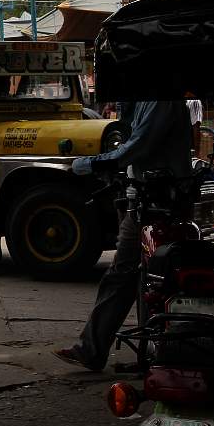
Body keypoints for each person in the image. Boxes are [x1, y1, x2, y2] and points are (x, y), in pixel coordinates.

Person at [54, 100, 192, 372]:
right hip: (143, 201)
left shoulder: (161, 102)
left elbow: (137, 147)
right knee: (126, 276)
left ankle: (156, 355)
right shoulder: (139, 102)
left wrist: (86, 164)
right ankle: (96, 350)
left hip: (164, 204)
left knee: (157, 280)